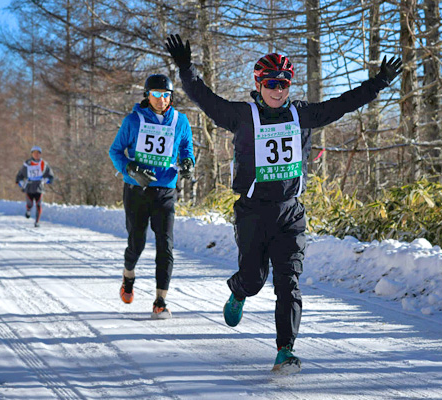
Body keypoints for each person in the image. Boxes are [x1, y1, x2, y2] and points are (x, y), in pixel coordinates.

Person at [165, 34, 402, 374]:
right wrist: (186, 69)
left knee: (288, 282)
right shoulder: (241, 115)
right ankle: (239, 291)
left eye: (285, 83)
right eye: (272, 83)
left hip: (290, 213)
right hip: (252, 212)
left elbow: (342, 104)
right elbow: (204, 98)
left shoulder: (301, 114)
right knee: (254, 278)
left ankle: (284, 350)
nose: (279, 90)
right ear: (259, 84)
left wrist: (377, 83)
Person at [109, 74, 195, 320]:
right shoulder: (133, 120)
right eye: (156, 94)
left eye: (166, 95)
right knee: (136, 241)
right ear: (147, 95)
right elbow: (115, 150)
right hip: (137, 190)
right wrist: (130, 168)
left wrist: (188, 161)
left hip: (165, 189)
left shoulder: (180, 121)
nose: (161, 100)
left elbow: (186, 147)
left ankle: (160, 301)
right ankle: (128, 276)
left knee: (165, 245)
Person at [15, 145, 55, 228]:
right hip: (29, 186)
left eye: (38, 153)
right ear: (32, 154)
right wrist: (20, 182)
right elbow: (20, 175)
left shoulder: (44, 164)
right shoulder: (27, 164)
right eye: (34, 153)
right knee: (30, 203)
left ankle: (37, 222)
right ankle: (28, 210)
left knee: (38, 204)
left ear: (40, 154)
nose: (36, 155)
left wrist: (47, 180)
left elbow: (51, 176)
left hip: (39, 187)